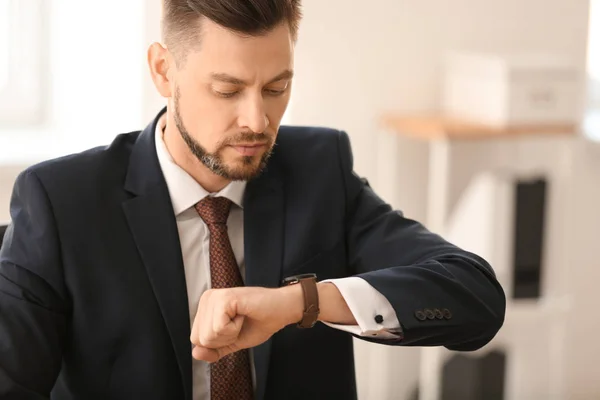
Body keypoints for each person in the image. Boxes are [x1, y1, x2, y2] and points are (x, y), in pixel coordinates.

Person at [0, 0, 506, 399]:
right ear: (163, 71)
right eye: (227, 89)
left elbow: (475, 296)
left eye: (276, 87)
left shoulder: (318, 170)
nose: (257, 121)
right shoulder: (61, 202)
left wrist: (299, 304)